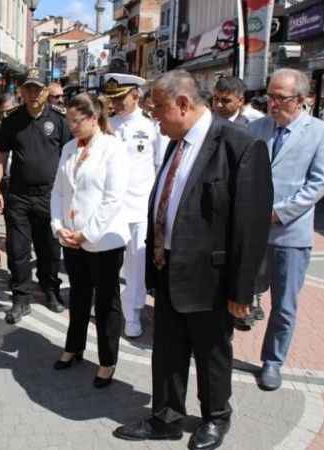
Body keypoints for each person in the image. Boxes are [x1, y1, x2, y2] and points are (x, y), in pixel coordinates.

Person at [113, 70, 272, 449]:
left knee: (211, 352)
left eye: (159, 111)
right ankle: (165, 416)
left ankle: (216, 416)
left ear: (183, 105)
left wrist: (242, 289)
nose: (155, 119)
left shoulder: (239, 146)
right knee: (168, 350)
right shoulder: (175, 142)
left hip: (211, 280)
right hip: (169, 268)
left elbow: (250, 227)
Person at [248, 68, 324, 392]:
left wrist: (279, 214)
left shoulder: (323, 133)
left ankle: (272, 361)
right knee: (240, 292)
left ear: (300, 100)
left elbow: (319, 184)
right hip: (252, 232)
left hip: (290, 234)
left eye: (280, 98)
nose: (272, 103)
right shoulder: (255, 127)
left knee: (284, 305)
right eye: (269, 96)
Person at [50, 93, 130, 387]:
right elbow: (58, 191)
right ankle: (74, 346)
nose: (70, 126)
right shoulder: (69, 148)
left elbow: (113, 198)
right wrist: (59, 226)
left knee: (107, 302)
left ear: (93, 118)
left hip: (103, 240)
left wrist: (87, 233)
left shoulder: (113, 148)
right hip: (71, 239)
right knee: (79, 295)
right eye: (68, 120)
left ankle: (107, 361)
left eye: (75, 121)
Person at [0, 68, 72, 324]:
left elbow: (71, 156)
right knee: (18, 250)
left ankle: (50, 291)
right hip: (18, 196)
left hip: (50, 195)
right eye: (29, 89)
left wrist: (71, 194)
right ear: (22, 92)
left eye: (38, 89)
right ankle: (21, 298)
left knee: (49, 248)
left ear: (46, 91)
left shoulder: (60, 119)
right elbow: (0, 156)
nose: (33, 93)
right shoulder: (11, 120)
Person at [104, 73, 162, 338]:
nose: (115, 103)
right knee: (109, 263)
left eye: (120, 98)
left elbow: (160, 167)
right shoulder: (107, 125)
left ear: (136, 96)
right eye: (112, 98)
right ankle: (110, 308)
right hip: (112, 208)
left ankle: (134, 312)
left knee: (137, 263)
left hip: (139, 205)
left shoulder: (152, 127)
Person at [212, 76, 268, 331]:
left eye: (226, 100)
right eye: (216, 99)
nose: (220, 105)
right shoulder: (207, 125)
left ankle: (247, 305)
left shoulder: (251, 129)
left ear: (240, 101)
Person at [0, 92, 19, 196]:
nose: (4, 116)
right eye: (1, 113)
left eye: (7, 111)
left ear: (17, 107)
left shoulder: (26, 128)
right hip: (4, 182)